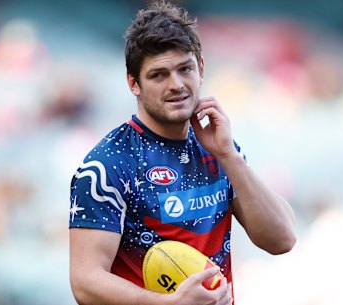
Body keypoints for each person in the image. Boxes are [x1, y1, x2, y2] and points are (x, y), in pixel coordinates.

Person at [68, 2, 296, 305]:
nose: (176, 85)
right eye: (159, 75)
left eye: (184, 69)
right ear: (133, 83)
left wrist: (228, 154)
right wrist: (169, 304)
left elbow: (282, 239)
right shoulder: (108, 164)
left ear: (201, 68)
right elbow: (85, 282)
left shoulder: (219, 148)